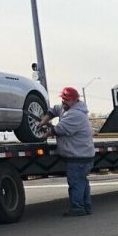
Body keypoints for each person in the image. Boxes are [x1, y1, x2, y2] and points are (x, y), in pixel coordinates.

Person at [41, 86, 95, 216]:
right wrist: (43, 121)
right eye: (63, 99)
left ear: (75, 100)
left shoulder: (75, 114)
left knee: (76, 183)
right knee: (81, 182)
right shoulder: (67, 108)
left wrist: (39, 135)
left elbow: (58, 130)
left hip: (79, 157)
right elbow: (54, 110)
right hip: (82, 155)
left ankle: (78, 209)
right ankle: (86, 207)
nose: (64, 102)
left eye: (67, 100)